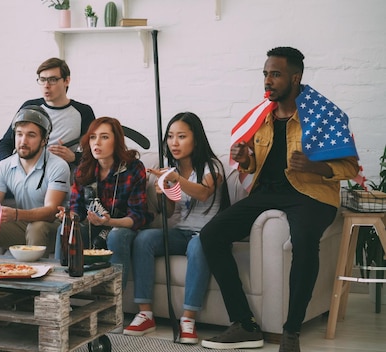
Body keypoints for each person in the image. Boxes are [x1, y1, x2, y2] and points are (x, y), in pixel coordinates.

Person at [199, 47, 360, 351]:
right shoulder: (262, 118)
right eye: (265, 74)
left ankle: (291, 331)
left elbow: (350, 167)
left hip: (310, 194)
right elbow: (254, 167)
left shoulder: (324, 116)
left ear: (295, 77)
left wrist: (314, 166)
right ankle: (244, 324)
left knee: (304, 241)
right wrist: (245, 159)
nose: (267, 81)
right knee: (211, 235)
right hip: (267, 193)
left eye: (275, 74)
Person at [0, 57, 95, 250]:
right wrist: (12, 166)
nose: (46, 85)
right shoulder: (30, 107)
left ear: (66, 81)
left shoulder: (82, 111)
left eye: (52, 79)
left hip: (51, 167)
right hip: (15, 163)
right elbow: (5, 143)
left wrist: (74, 157)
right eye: (42, 79)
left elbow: (91, 154)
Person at [123, 112, 229, 341]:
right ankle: (145, 314)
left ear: (196, 140)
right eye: (170, 136)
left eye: (181, 136)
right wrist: (163, 192)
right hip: (181, 232)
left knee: (198, 246)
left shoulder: (213, 166)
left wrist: (174, 179)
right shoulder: (171, 168)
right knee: (143, 240)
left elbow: (202, 193)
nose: (174, 142)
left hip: (205, 234)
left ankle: (188, 319)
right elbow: (171, 213)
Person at [55, 117, 152, 286]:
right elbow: (76, 208)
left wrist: (109, 221)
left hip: (123, 227)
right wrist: (68, 216)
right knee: (64, 229)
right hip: (93, 226)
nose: (97, 142)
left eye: (104, 137)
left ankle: (113, 300)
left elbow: (137, 216)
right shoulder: (84, 169)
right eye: (93, 137)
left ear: (117, 141)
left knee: (116, 234)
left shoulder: (133, 168)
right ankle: (59, 289)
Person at [0, 105, 70, 253]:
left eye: (31, 135)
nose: (23, 141)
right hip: (22, 225)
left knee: (37, 227)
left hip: (55, 228)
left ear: (44, 140)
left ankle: (36, 274)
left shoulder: (58, 166)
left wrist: (16, 214)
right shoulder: (4, 166)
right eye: (19, 134)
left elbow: (51, 212)